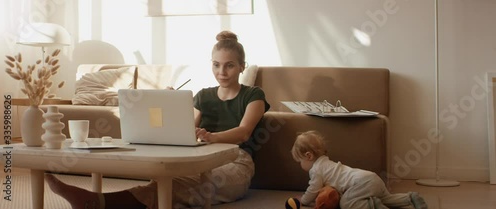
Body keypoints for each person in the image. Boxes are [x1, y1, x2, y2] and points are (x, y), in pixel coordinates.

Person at [45, 30, 270, 209]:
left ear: (242, 66)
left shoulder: (253, 95)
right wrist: (171, 104)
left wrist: (212, 136)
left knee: (183, 186)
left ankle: (98, 202)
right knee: (167, 183)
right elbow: (184, 130)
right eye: (216, 65)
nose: (222, 71)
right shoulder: (203, 95)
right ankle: (98, 201)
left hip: (236, 160)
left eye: (229, 65)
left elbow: (244, 132)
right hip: (204, 157)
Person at [290, 130, 429, 209]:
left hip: (360, 183)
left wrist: (304, 200)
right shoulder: (327, 163)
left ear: (308, 156)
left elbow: (313, 188)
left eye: (300, 161)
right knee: (386, 198)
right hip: (371, 178)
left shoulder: (316, 170)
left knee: (347, 203)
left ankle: (373, 205)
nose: (300, 164)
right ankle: (411, 198)